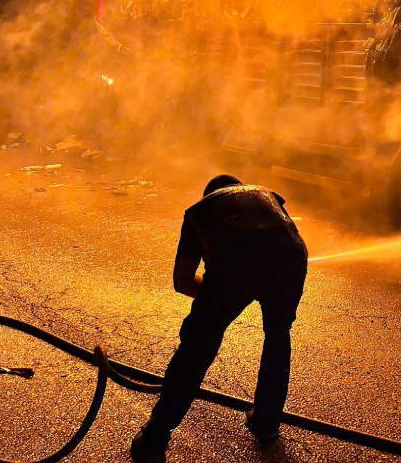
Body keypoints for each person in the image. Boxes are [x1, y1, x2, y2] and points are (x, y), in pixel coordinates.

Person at [131, 174, 309, 463]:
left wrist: (223, 295)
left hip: (236, 263)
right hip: (292, 259)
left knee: (198, 345)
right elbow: (278, 245)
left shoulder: (200, 212)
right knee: (278, 336)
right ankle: (266, 423)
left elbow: (183, 282)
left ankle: (155, 438)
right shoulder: (268, 196)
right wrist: (247, 289)